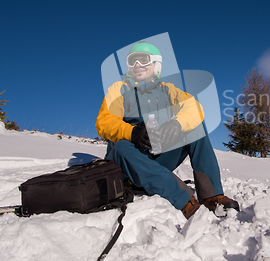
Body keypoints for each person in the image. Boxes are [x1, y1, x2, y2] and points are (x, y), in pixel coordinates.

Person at [96, 41, 239, 219]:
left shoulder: (168, 90)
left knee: (195, 128)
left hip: (156, 157)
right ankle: (184, 200)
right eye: (132, 61)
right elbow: (104, 122)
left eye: (143, 60)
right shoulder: (119, 89)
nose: (137, 65)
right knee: (122, 147)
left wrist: (176, 124)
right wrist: (132, 133)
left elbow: (194, 107)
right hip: (127, 163)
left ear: (156, 64)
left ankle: (212, 196)